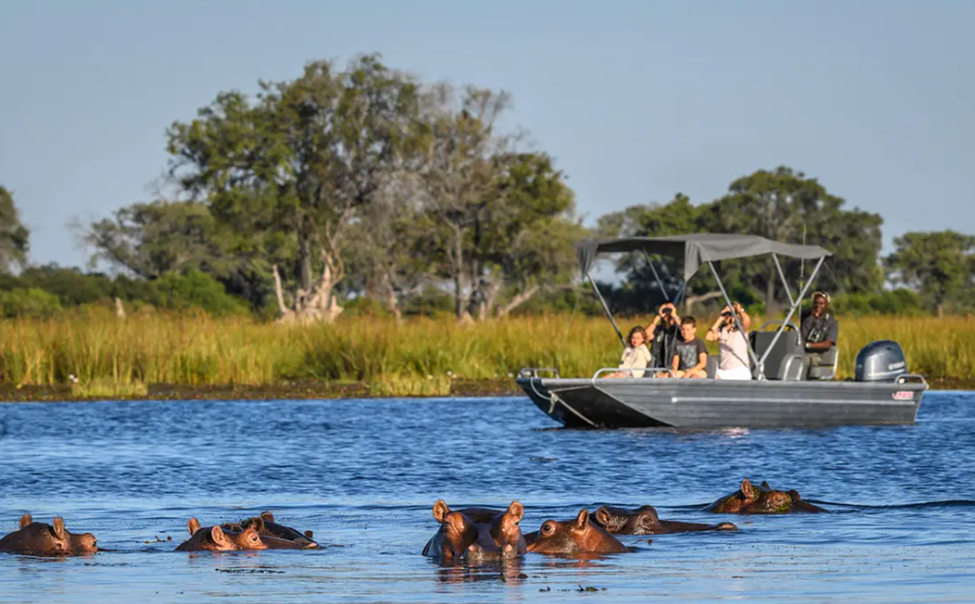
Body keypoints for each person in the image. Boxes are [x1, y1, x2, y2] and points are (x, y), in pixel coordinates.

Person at [706, 302, 753, 380]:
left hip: (739, 370)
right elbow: (709, 337)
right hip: (723, 370)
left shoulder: (740, 330)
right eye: (726, 313)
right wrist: (720, 318)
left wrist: (740, 311)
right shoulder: (722, 330)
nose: (728, 316)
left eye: (730, 313)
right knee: (708, 375)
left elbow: (747, 321)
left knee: (715, 378)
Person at [800, 291, 839, 377]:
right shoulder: (808, 320)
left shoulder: (831, 323)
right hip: (802, 352)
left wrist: (808, 345)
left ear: (827, 305)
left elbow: (827, 344)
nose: (818, 306)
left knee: (801, 361)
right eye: (816, 303)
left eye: (821, 303)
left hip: (818, 356)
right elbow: (801, 338)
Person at [645, 302, 681, 370]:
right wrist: (658, 317)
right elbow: (644, 336)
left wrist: (674, 315)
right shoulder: (657, 329)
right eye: (665, 309)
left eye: (669, 310)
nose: (667, 313)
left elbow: (687, 332)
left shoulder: (678, 329)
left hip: (674, 367)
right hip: (657, 366)